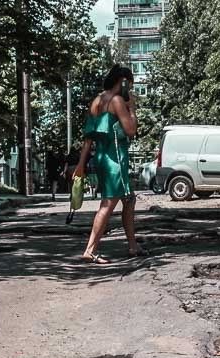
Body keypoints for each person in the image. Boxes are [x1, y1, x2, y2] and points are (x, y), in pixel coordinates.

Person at [72, 65, 146, 264]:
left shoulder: (97, 101)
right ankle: (90, 249)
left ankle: (132, 245)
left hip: (101, 157)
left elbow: (88, 138)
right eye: (129, 85)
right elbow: (130, 130)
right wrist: (132, 108)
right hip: (116, 159)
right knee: (108, 203)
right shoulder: (117, 101)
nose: (129, 90)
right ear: (122, 82)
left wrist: (81, 164)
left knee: (129, 200)